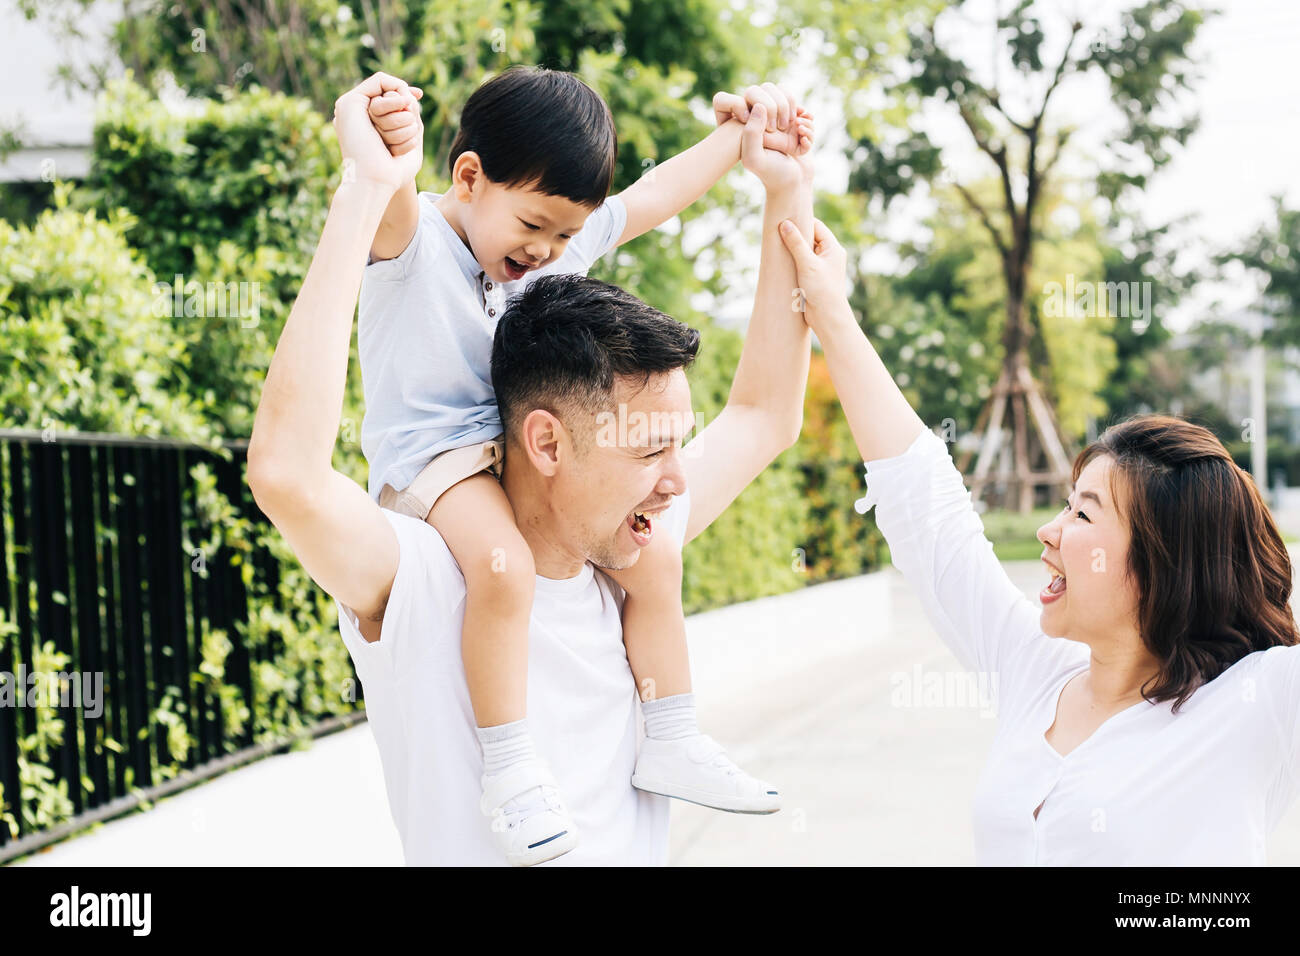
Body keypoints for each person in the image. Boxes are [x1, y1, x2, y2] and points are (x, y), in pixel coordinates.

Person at [246, 72, 815, 865]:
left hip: (499, 464)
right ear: (548, 442)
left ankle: (675, 732)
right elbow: (284, 472)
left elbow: (761, 413)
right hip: (435, 469)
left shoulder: (628, 528)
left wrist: (771, 172)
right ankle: (509, 767)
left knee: (655, 558)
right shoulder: (426, 576)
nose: (675, 479)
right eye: (651, 449)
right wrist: (371, 173)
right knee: (502, 567)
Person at [778, 216, 1300, 866]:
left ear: (1163, 562)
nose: (1046, 533)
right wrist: (830, 307)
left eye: (1083, 516)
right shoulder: (1038, 671)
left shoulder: (1258, 702)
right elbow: (927, 509)